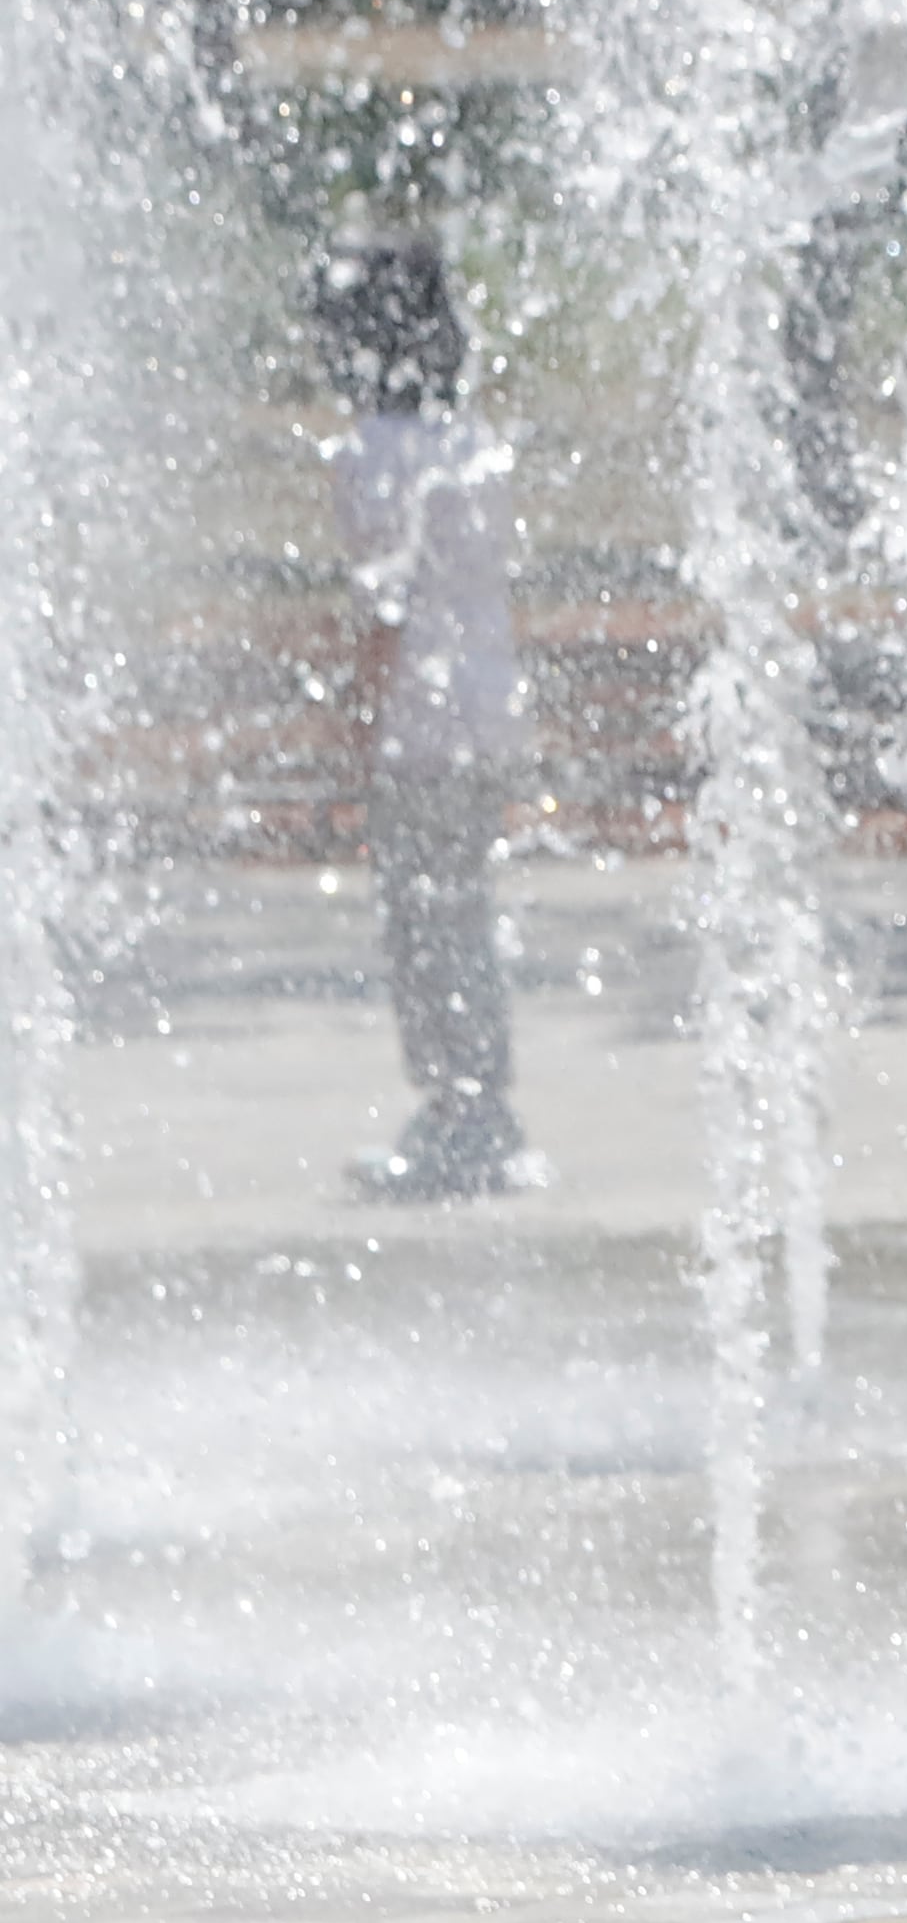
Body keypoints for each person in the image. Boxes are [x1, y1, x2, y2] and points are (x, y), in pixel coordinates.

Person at [313, 236, 539, 1203]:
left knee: (422, 922)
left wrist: (353, 735)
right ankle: (482, 1106)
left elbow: (385, 613)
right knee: (465, 915)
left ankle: (457, 1115)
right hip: (488, 712)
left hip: (421, 723)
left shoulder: (372, 452)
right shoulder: (473, 444)